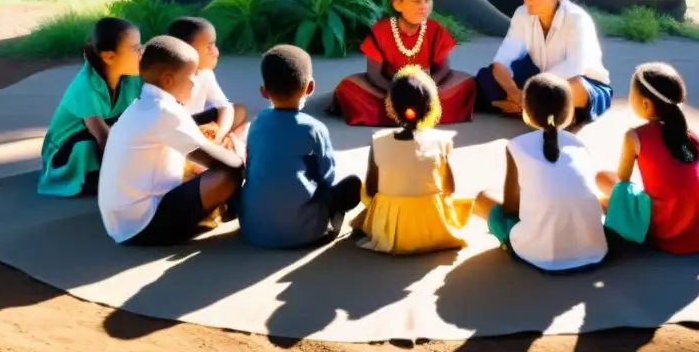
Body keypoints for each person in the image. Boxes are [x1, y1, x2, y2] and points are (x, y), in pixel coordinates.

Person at [98, 36, 243, 246]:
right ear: (168, 80)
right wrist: (237, 151)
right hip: (143, 225)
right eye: (192, 75)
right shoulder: (164, 111)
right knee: (230, 172)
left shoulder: (144, 104)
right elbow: (228, 165)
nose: (196, 81)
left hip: (122, 221)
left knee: (214, 162)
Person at [473, 73, 607, 272]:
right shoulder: (578, 144)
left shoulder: (516, 146)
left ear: (525, 111)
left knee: (484, 199)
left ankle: (514, 241)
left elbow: (510, 208)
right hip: (593, 249)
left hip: (539, 255)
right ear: (570, 112)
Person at [240, 45, 363, 248]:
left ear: (264, 91)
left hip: (254, 231)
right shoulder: (314, 128)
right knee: (351, 186)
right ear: (310, 87)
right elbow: (327, 176)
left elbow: (251, 166)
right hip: (305, 233)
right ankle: (329, 225)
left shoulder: (257, 123)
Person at [597, 63, 699, 254]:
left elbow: (623, 180)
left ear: (646, 104)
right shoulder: (689, 134)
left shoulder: (634, 136)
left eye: (632, 95)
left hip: (665, 226)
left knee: (603, 180)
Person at [475, 0, 612, 131]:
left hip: (581, 83)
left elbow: (574, 67)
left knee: (574, 87)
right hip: (537, 82)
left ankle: (528, 110)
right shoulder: (522, 13)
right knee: (487, 76)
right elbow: (501, 62)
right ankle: (539, 111)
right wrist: (518, 95)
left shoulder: (577, 19)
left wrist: (529, 91)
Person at [331, 0, 476, 126]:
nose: (423, 6)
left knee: (467, 84)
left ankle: (403, 114)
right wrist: (397, 93)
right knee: (349, 88)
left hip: (427, 90)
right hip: (389, 89)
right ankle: (416, 114)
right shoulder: (381, 31)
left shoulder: (435, 30)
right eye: (416, 1)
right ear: (397, 3)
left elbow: (443, 69)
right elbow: (374, 73)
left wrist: (426, 90)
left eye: (428, 0)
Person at [355, 65, 473, 254]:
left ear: (391, 105)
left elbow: (371, 190)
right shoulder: (442, 141)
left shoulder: (378, 141)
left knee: (364, 188)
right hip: (431, 226)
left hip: (392, 228)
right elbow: (450, 188)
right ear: (430, 106)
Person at [38, 17, 143, 197]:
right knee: (87, 146)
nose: (142, 52)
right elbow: (103, 138)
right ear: (110, 56)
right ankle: (88, 179)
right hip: (68, 150)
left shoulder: (132, 77)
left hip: (107, 138)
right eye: (136, 49)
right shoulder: (85, 86)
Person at [167, 16, 251, 162]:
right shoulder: (169, 78)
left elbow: (225, 107)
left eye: (214, 44)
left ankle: (220, 146)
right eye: (208, 46)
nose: (215, 51)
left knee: (238, 110)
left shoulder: (205, 73)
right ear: (186, 50)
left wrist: (218, 136)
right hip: (176, 131)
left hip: (196, 124)